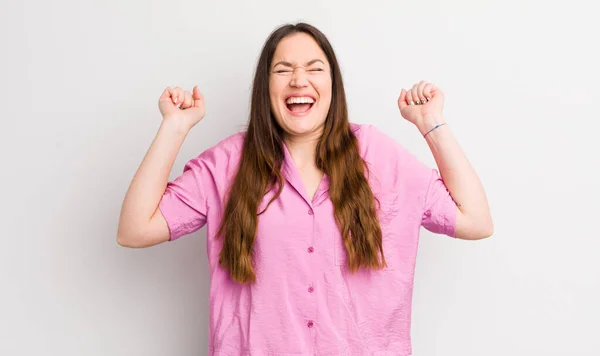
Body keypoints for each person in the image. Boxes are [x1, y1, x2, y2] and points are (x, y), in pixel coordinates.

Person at [117, 22, 493, 355]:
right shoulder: (227, 164)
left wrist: (431, 124)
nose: (299, 80)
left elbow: (475, 220)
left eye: (315, 68)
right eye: (283, 70)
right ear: (266, 86)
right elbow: (135, 229)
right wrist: (174, 128)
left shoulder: (379, 156)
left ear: (333, 85)